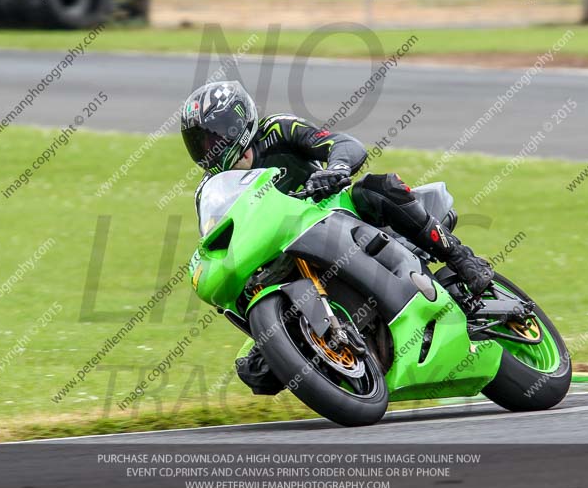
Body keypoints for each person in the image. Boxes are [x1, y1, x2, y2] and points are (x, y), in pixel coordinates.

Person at [181, 81, 494, 394]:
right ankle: (318, 348)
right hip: (281, 253)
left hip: (332, 211)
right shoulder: (212, 190)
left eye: (218, 135)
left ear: (240, 120)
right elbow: (219, 238)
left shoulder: (278, 129)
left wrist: (336, 167)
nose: (213, 148)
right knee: (256, 372)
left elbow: (341, 143)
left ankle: (460, 256)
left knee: (378, 187)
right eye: (204, 144)